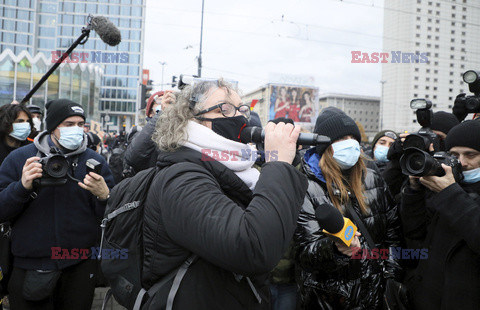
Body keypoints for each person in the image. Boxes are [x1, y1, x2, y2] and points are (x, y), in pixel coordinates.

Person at [141, 79, 308, 309]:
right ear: (192, 119)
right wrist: (278, 165)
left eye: (242, 109)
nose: (239, 117)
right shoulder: (181, 179)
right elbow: (253, 248)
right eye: (226, 109)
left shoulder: (235, 171)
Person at [0, 99, 115, 309]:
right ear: (53, 127)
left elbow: (111, 218)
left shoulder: (94, 161)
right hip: (29, 265)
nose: (76, 130)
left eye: (81, 124)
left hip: (78, 266)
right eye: (69, 124)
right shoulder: (20, 159)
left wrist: (105, 197)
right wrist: (22, 186)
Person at [294, 109, 402, 309]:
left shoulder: (372, 177)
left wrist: (391, 276)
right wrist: (335, 250)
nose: (350, 143)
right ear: (325, 145)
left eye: (353, 137)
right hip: (331, 299)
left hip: (376, 294)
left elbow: (393, 234)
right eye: (342, 138)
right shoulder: (306, 186)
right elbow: (305, 254)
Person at [400, 120, 480, 310]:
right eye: (453, 154)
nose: (461, 162)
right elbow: (415, 233)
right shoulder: (443, 186)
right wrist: (414, 190)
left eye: (471, 154)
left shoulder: (448, 191)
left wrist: (450, 193)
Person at [384, 111, 459, 202]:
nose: (431, 143)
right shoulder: (413, 162)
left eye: (438, 138)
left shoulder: (455, 164)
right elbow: (388, 191)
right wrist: (397, 156)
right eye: (427, 137)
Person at [124, 91, 176, 173]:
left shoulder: (177, 134)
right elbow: (133, 156)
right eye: (159, 101)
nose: (164, 104)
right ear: (150, 113)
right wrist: (161, 115)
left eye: (169, 102)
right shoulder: (139, 132)